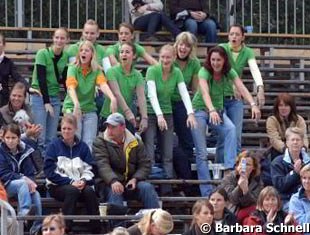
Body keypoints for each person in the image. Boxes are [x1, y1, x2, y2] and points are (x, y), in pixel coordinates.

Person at [190, 46, 261, 197]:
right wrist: (211, 110)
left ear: (224, 61)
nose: (215, 63)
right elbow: (204, 92)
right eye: (213, 60)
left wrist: (253, 104)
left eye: (218, 60)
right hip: (200, 110)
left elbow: (241, 87)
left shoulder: (228, 71)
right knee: (201, 153)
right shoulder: (204, 71)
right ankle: (206, 192)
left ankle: (229, 172)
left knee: (231, 130)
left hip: (217, 110)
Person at [143, 44, 196, 184]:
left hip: (167, 113)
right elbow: (152, 95)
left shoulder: (177, 72)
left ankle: (167, 186)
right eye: (162, 57)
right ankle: (150, 182)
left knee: (168, 152)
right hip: (150, 112)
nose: (165, 60)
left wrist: (190, 113)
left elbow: (184, 92)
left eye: (168, 57)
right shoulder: (152, 70)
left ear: (173, 58)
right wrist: (159, 115)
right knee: (149, 151)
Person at [44, 114, 101, 233]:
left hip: (79, 183)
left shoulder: (83, 147)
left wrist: (84, 181)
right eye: (64, 128)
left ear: (75, 129)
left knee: (90, 191)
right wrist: (70, 182)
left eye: (69, 129)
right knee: (72, 190)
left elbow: (90, 168)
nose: (66, 131)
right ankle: (65, 228)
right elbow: (49, 172)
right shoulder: (53, 146)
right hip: (58, 186)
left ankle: (96, 229)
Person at [93, 112, 160, 209]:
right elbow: (102, 165)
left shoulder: (136, 142)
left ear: (123, 127)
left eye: (113, 127)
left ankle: (155, 220)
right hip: (108, 184)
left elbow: (145, 164)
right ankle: (118, 224)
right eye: (108, 126)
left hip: (130, 182)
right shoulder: (99, 141)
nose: (109, 130)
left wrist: (135, 179)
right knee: (115, 191)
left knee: (147, 187)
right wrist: (113, 181)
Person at [217, 24, 265, 158]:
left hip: (235, 99)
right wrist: (233, 83)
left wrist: (260, 87)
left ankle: (236, 170)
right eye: (231, 34)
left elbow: (254, 69)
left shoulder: (247, 51)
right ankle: (219, 170)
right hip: (219, 96)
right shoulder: (222, 48)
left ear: (242, 37)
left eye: (237, 34)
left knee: (237, 136)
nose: (234, 37)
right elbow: (218, 69)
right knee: (223, 135)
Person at [62, 40, 117, 150]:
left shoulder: (96, 70)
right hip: (73, 107)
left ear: (92, 54)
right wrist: (76, 104)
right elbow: (71, 87)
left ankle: (87, 165)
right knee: (75, 138)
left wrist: (112, 97)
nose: (83, 52)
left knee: (89, 142)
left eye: (86, 51)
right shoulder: (72, 67)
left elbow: (103, 84)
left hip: (89, 109)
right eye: (81, 50)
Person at [30, 27, 69, 157]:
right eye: (57, 37)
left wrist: (71, 97)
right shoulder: (42, 53)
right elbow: (41, 79)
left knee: (51, 136)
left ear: (67, 40)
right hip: (40, 96)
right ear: (53, 38)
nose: (59, 40)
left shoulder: (66, 57)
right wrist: (46, 102)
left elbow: (64, 80)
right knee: (40, 134)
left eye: (62, 38)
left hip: (55, 97)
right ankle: (39, 163)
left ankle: (49, 164)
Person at [0, 123, 42, 234]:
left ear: (19, 138)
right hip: (5, 186)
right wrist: (24, 179)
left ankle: (36, 227)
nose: (10, 141)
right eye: (7, 138)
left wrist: (31, 183)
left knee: (35, 194)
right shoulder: (0, 152)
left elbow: (30, 172)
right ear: (3, 139)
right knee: (22, 184)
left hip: (21, 186)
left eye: (13, 138)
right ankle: (23, 216)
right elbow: (3, 173)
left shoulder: (25, 150)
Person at [100, 42, 148, 134]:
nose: (124, 54)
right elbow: (116, 93)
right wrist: (128, 112)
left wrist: (144, 117)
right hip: (110, 115)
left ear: (134, 55)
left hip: (126, 118)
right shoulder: (111, 71)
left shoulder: (137, 75)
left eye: (127, 52)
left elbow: (141, 97)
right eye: (121, 52)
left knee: (129, 146)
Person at [172, 32, 200, 186]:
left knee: (187, 142)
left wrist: (193, 111)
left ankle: (187, 181)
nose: (183, 48)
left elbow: (195, 89)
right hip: (166, 101)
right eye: (181, 44)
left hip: (183, 102)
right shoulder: (169, 57)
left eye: (187, 45)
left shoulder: (194, 63)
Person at [271, 127, 310, 212]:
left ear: (302, 142)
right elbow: (279, 186)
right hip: (286, 201)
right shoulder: (277, 162)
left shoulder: (308, 161)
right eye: (292, 140)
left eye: (298, 140)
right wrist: (295, 173)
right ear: (287, 143)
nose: (295, 142)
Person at [220, 150, 263, 223]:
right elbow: (232, 200)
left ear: (253, 167)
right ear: (237, 166)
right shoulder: (229, 178)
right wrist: (239, 187)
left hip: (250, 211)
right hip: (232, 211)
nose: (244, 167)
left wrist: (245, 190)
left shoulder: (258, 181)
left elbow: (254, 202)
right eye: (242, 164)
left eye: (248, 164)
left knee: (250, 219)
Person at [266, 93, 309, 159]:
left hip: (297, 149)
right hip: (279, 151)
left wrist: (304, 147)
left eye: (286, 105)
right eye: (280, 105)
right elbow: (274, 139)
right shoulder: (271, 120)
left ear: (291, 107)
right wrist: (286, 150)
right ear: (277, 107)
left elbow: (303, 136)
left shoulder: (299, 119)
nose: (283, 108)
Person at [0, 33, 29, 107]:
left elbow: (18, 77)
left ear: (3, 45)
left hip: (3, 101)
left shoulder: (8, 62)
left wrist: (29, 88)